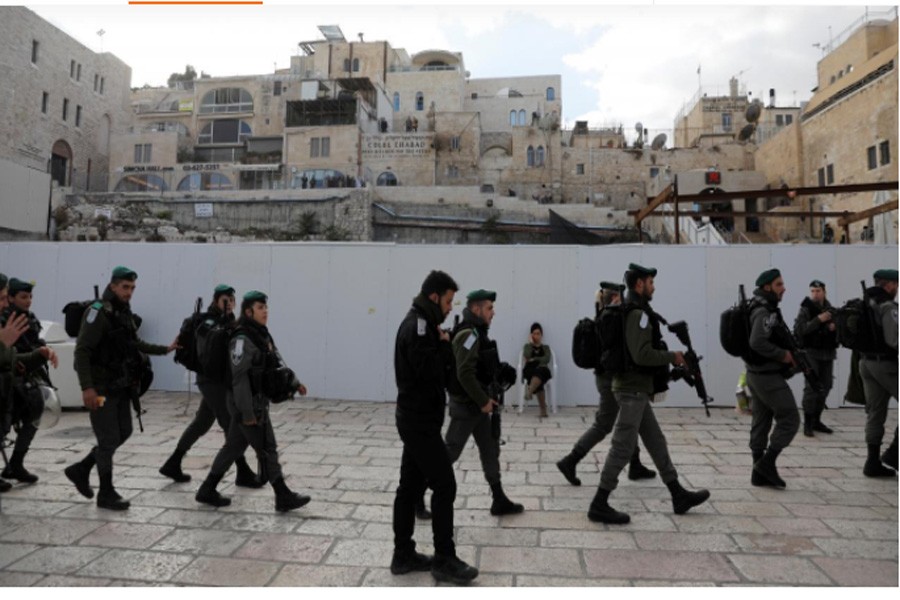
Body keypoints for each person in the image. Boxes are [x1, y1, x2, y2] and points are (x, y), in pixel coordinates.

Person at [587, 264, 709, 524]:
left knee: (655, 441)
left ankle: (678, 494)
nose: (654, 287)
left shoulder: (637, 311)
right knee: (622, 446)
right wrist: (672, 356)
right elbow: (640, 354)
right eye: (650, 282)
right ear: (639, 285)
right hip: (631, 390)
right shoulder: (638, 314)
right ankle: (599, 503)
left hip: (636, 389)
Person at [65, 266, 177, 510]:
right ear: (113, 286)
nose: (129, 292)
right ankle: (105, 493)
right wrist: (87, 389)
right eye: (125, 287)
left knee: (124, 431)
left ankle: (81, 468)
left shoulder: (123, 312)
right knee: (108, 439)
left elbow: (134, 342)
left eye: (132, 288)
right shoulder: (97, 312)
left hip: (120, 386)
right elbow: (82, 351)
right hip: (102, 388)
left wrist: (165, 349)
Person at [391, 270, 478, 585]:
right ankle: (444, 558)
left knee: (409, 487)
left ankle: (403, 554)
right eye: (448, 301)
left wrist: (440, 342)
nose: (450, 307)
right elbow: (431, 374)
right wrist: (445, 347)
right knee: (445, 485)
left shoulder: (422, 324)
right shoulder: (419, 328)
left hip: (417, 419)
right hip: (419, 424)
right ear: (433, 297)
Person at [195, 290, 311, 512]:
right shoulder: (241, 339)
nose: (265, 311)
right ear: (248, 312)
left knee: (233, 447)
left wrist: (295, 383)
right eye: (260, 308)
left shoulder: (261, 334)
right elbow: (239, 380)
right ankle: (282, 495)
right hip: (244, 403)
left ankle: (207, 489)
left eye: (266, 307)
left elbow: (275, 362)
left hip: (256, 400)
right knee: (267, 447)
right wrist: (247, 414)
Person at [159, 285, 262, 488]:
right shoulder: (208, 322)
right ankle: (241, 471)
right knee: (231, 423)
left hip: (218, 381)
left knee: (201, 423)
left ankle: (173, 462)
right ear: (216, 300)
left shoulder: (229, 321)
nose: (230, 303)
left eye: (233, 300)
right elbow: (209, 354)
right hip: (211, 381)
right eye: (226, 299)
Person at [557, 281, 656, 486]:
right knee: (605, 423)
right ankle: (570, 460)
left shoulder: (603, 316)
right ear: (614, 299)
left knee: (631, 417)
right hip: (610, 379)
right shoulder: (611, 319)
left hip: (606, 378)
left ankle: (635, 464)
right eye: (619, 297)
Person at [445, 289, 523, 516]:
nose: (493, 313)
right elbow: (464, 373)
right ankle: (416, 495)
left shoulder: (478, 333)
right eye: (489, 308)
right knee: (448, 454)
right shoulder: (469, 335)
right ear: (476, 309)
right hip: (468, 408)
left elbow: (479, 368)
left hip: (479, 407)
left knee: (490, 450)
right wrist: (482, 401)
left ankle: (499, 498)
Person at [0, 278, 58, 485]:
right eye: (23, 297)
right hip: (10, 378)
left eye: (30, 296)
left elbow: (29, 345)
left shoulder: (28, 318)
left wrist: (43, 351)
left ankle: (16, 463)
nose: (28, 301)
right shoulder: (5, 319)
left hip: (23, 375)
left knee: (34, 412)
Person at [744, 268, 799, 489]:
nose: (783, 288)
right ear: (767, 287)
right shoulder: (764, 311)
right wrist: (783, 355)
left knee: (761, 421)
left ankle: (758, 472)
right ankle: (766, 464)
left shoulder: (756, 305)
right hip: (766, 376)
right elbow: (757, 341)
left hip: (755, 374)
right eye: (779, 285)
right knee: (790, 418)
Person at [858, 268, 898, 477]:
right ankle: (893, 454)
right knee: (876, 412)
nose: (897, 289)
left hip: (866, 363)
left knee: (875, 413)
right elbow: (895, 340)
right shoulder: (887, 306)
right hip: (886, 365)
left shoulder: (866, 301)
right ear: (889, 284)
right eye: (896, 284)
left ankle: (872, 462)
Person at [793, 280, 838, 437]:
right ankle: (808, 422)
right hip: (811, 353)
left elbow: (840, 330)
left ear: (824, 291)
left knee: (826, 386)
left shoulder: (831, 309)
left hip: (828, 353)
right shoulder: (806, 309)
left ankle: (817, 420)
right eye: (812, 291)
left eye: (818, 291)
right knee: (812, 387)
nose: (815, 294)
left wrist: (834, 326)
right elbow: (800, 330)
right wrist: (818, 320)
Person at [521, 322, 553, 418]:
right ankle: (543, 411)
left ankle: (530, 391)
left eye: (538, 333)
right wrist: (531, 344)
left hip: (543, 370)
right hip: (530, 370)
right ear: (531, 335)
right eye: (534, 334)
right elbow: (526, 355)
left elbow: (546, 359)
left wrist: (534, 359)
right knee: (538, 377)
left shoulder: (546, 348)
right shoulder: (527, 346)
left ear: (541, 334)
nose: (536, 336)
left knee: (540, 373)